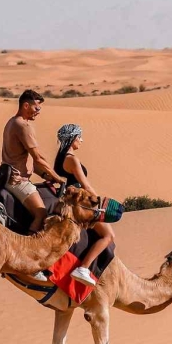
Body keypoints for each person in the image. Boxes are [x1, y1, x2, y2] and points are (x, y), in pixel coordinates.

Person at [53, 123, 113, 287]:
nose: (81, 140)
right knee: (108, 235)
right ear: (72, 138)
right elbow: (85, 185)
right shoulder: (72, 159)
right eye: (79, 137)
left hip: (70, 200)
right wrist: (99, 202)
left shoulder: (59, 159)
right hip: (81, 203)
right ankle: (83, 268)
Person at [0, 89, 65, 232]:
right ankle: (30, 248)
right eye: (37, 107)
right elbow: (38, 158)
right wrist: (57, 178)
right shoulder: (23, 126)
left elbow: (24, 157)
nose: (38, 111)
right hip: (18, 181)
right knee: (41, 214)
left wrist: (44, 175)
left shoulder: (12, 122)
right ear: (26, 106)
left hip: (9, 176)